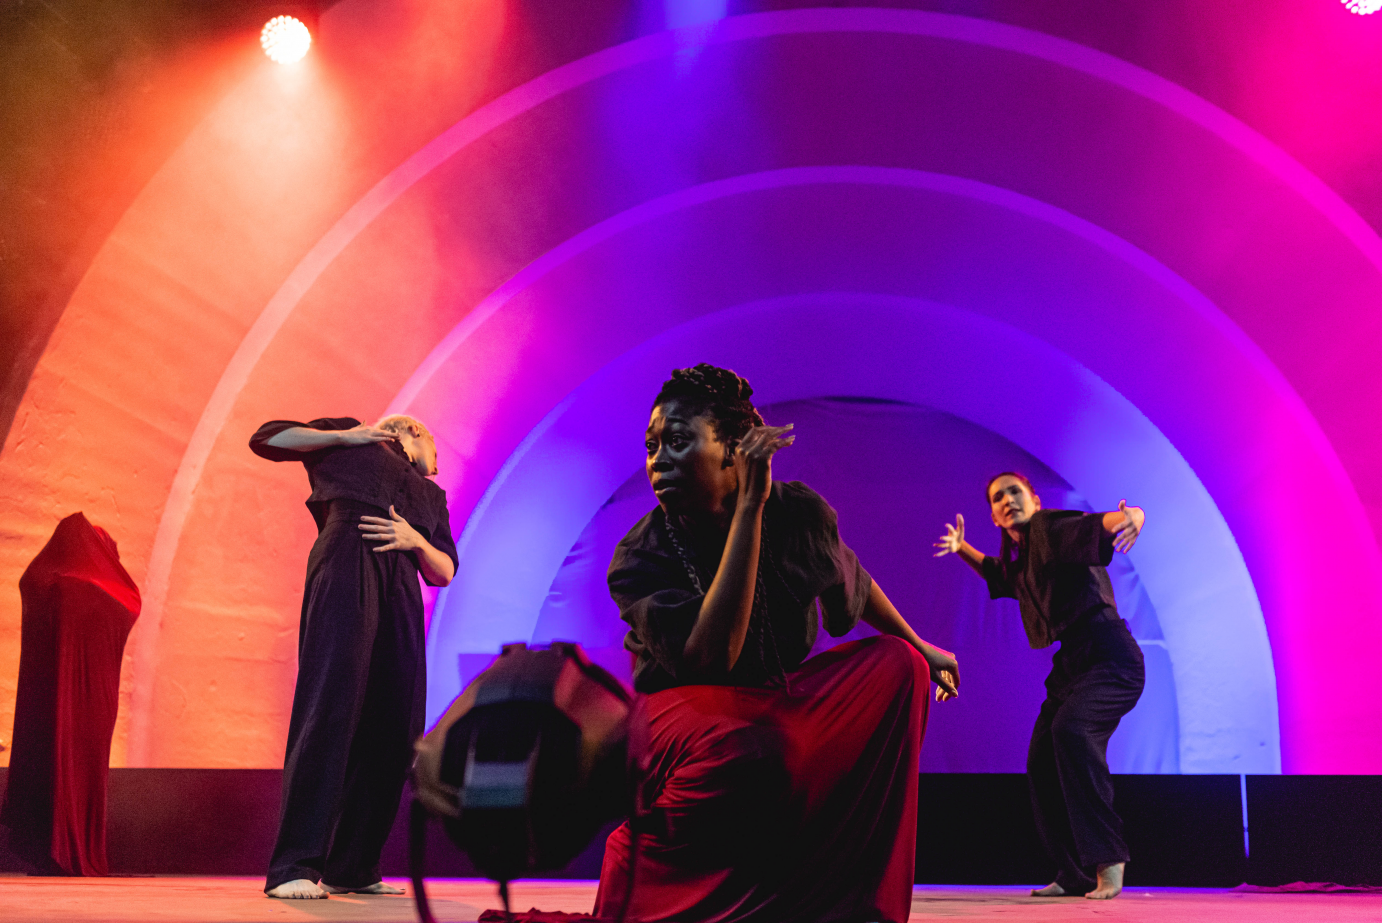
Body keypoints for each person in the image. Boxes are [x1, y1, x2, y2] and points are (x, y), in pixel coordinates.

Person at [592, 364, 959, 923]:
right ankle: (655, 879)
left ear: (734, 451)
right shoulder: (639, 553)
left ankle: (855, 900)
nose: (658, 459)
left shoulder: (798, 512)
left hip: (772, 701)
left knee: (896, 665)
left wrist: (918, 644)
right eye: (651, 445)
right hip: (682, 713)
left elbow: (849, 579)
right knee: (755, 748)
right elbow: (713, 659)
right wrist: (748, 509)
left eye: (679, 440)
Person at [249, 415, 457, 900]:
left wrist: (417, 541)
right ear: (413, 432)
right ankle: (293, 865)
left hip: (402, 581)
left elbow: (445, 571)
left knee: (399, 722)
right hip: (348, 558)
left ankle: (353, 865)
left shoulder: (434, 497)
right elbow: (266, 439)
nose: (438, 463)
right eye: (436, 449)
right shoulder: (351, 438)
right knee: (331, 703)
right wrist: (350, 436)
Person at [934, 473, 1145, 900]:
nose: (1008, 500)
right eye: (998, 498)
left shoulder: (1049, 529)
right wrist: (961, 550)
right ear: (994, 516)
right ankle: (1072, 873)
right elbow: (1000, 575)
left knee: (1071, 731)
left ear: (1033, 499)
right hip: (1073, 663)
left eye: (1015, 492)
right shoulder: (1022, 559)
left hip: (1109, 655)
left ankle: (1109, 858)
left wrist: (1131, 516)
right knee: (1043, 760)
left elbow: (1089, 526)